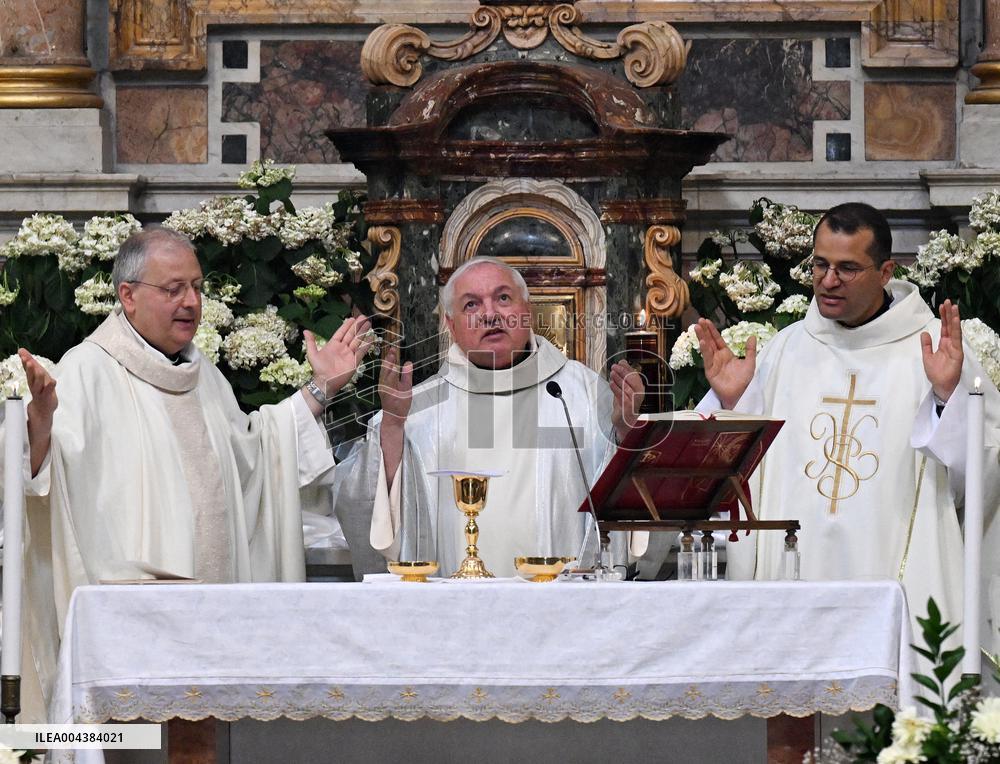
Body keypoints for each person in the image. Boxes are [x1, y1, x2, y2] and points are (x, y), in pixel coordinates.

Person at [7, 226, 371, 721]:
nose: (191, 302)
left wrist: (321, 390)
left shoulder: (206, 379)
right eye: (173, 289)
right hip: (131, 629)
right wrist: (40, 422)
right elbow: (41, 486)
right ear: (128, 296)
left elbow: (257, 457)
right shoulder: (88, 371)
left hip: (210, 628)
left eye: (197, 287)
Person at [693, 202, 1000, 650]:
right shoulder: (787, 349)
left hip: (895, 580)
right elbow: (728, 477)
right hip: (794, 580)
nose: (828, 280)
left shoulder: (935, 352)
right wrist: (735, 402)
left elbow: (982, 476)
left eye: (847, 268)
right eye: (820, 264)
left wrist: (946, 397)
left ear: (886, 272)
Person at [329, 257, 645, 578]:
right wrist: (393, 427)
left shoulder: (583, 393)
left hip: (564, 607)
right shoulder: (418, 408)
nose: (490, 314)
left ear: (527, 310)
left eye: (503, 298)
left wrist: (627, 432)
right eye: (471, 305)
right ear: (451, 327)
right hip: (456, 612)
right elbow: (361, 506)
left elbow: (634, 516)